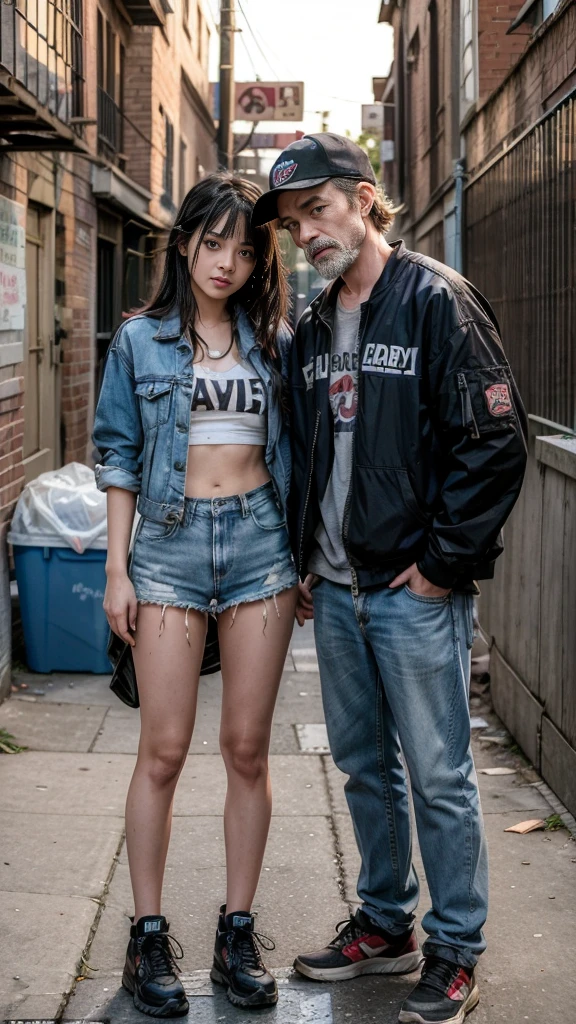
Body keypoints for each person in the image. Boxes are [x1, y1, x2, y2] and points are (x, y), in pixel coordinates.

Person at [252, 134, 528, 1024]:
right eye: (293, 223)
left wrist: (444, 566)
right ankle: (384, 922)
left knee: (441, 773)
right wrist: (304, 564)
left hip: (411, 592)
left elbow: (494, 443)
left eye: (318, 211)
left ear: (366, 198)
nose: (306, 235)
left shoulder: (435, 302)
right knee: (366, 768)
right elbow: (306, 453)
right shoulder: (311, 327)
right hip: (334, 589)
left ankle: (454, 950)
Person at [93, 173, 298, 1018]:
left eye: (245, 248)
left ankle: (236, 929)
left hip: (260, 547)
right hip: (170, 550)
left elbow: (306, 448)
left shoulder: (277, 338)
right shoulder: (140, 340)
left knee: (247, 751)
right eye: (214, 243)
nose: (228, 262)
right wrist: (117, 568)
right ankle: (147, 935)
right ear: (183, 244)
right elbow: (116, 452)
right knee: (164, 752)